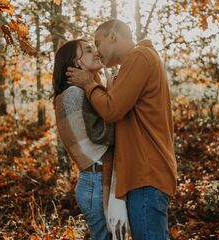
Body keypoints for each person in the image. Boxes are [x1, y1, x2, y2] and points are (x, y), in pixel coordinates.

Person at [66, 19, 177, 240]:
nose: (97, 51)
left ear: (113, 36)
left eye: (98, 43)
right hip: (141, 175)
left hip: (147, 174)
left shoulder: (140, 56)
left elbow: (112, 109)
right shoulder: (132, 65)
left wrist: (89, 83)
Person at [52, 39, 128, 240]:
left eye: (93, 48)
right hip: (95, 183)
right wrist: (112, 95)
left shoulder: (82, 92)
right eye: (88, 50)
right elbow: (104, 135)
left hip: (96, 180)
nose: (96, 52)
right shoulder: (75, 94)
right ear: (75, 63)